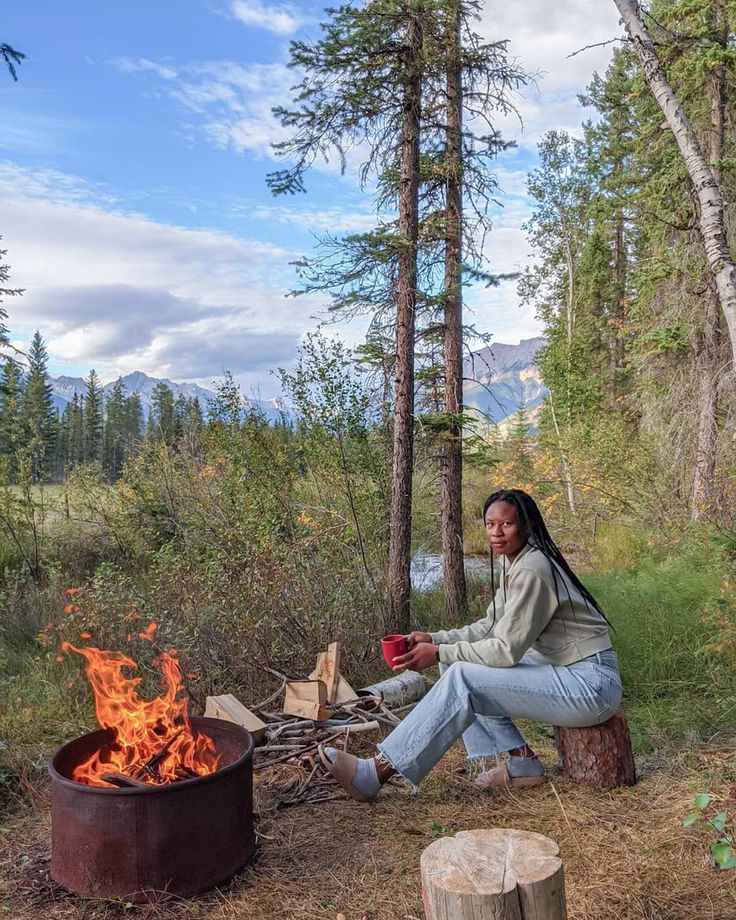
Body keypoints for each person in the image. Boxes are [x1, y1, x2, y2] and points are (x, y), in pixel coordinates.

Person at [319, 488, 623, 802]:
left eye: (506, 524)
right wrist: (435, 639)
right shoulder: (516, 562)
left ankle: (378, 771)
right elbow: (489, 627)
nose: (496, 533)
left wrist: (437, 652)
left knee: (463, 675)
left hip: (590, 684)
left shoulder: (533, 569)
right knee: (455, 665)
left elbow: (505, 650)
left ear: (527, 526)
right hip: (566, 670)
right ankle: (520, 763)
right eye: (490, 524)